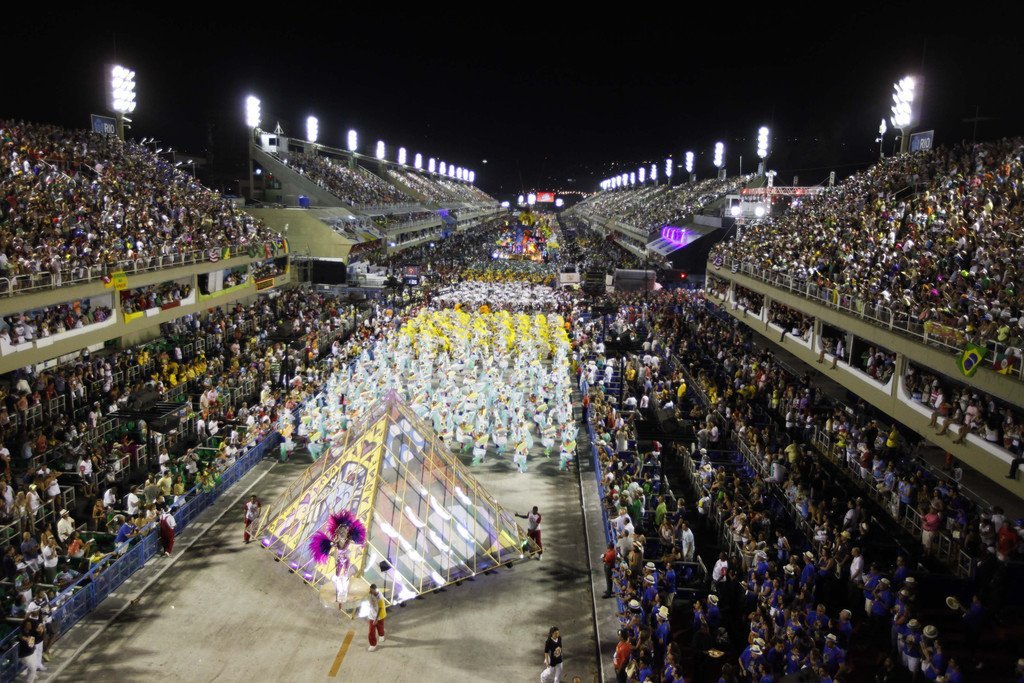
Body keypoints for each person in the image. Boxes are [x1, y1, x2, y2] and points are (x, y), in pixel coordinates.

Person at [366, 583, 387, 652]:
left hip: (380, 615)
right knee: (371, 631)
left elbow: (380, 609)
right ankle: (373, 644)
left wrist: (376, 619)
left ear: (375, 590)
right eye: (370, 590)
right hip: (372, 614)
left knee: (380, 626)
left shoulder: (380, 598)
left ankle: (381, 635)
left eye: (372, 591)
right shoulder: (370, 593)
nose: (371, 592)